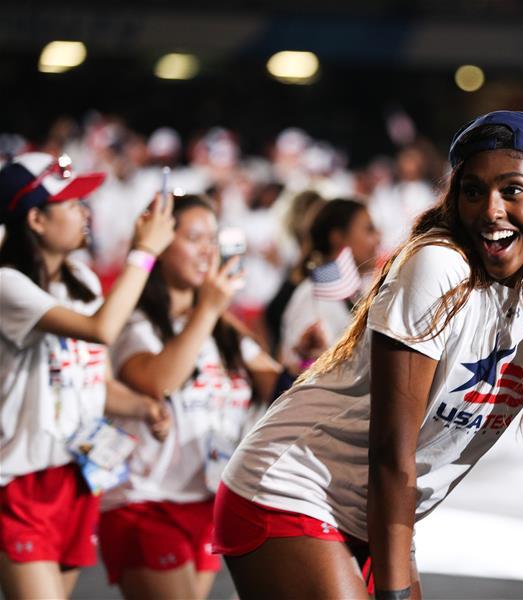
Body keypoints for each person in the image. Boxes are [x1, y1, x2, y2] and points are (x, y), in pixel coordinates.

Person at [212, 110, 523, 599]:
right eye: (473, 191)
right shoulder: (438, 267)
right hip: (293, 487)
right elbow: (391, 454)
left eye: (512, 190)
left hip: (377, 511)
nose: (491, 209)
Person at [0, 152, 174, 598]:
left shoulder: (82, 279)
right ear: (36, 219)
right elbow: (102, 330)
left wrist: (143, 406)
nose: (85, 212)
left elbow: (95, 381)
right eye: (72, 202)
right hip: (20, 483)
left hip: (78, 477)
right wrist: (144, 253)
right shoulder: (7, 284)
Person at [97, 194, 281, 599]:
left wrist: (305, 359)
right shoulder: (136, 323)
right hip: (145, 502)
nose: (207, 251)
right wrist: (209, 310)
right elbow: (160, 380)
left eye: (213, 239)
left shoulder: (225, 328)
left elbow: (278, 384)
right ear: (161, 244)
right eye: (194, 238)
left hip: (205, 501)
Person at [279, 198, 381, 374]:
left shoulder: (359, 290)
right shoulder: (312, 295)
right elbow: (299, 366)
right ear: (337, 238)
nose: (378, 239)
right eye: (369, 230)